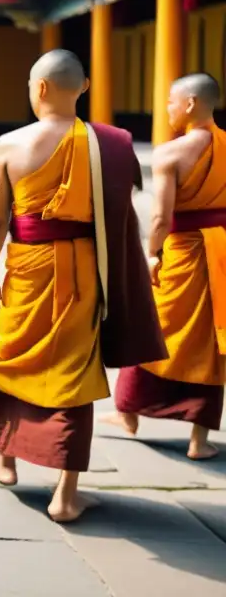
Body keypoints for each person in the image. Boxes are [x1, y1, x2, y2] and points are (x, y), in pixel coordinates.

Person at [0, 50, 165, 523]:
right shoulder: (109, 144)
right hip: (86, 268)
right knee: (75, 370)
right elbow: (125, 206)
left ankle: (5, 458)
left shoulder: (9, 143)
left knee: (12, 352)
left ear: (39, 88)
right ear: (82, 88)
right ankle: (66, 494)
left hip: (28, 266)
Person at [106, 73, 226, 459]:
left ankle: (128, 415)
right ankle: (199, 440)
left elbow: (160, 217)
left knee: (153, 328)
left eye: (172, 102)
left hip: (182, 251)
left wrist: (152, 254)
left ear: (190, 103)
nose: (168, 109)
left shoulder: (170, 154)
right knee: (211, 340)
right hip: (220, 251)